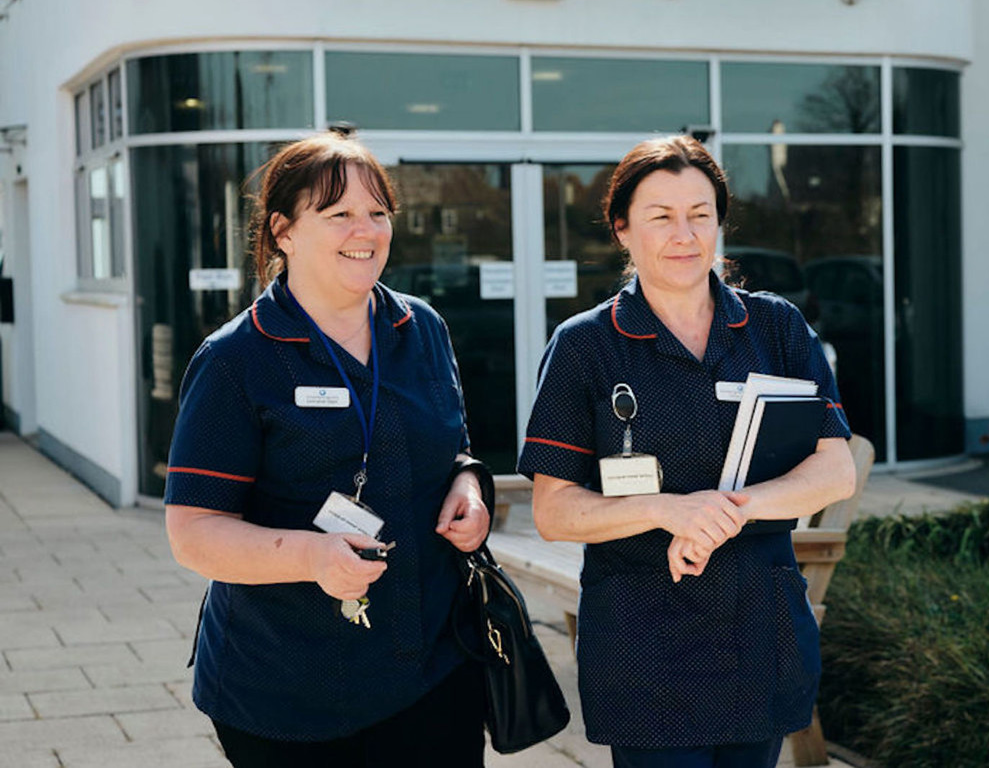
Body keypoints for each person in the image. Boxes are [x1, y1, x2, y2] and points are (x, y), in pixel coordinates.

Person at [519, 135, 857, 768]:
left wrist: (723, 510)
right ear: (622, 229)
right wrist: (670, 510)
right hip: (644, 641)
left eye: (701, 215)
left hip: (759, 626)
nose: (685, 234)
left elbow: (833, 469)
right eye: (661, 216)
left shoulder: (776, 327)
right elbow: (555, 511)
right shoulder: (586, 346)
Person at [164, 131, 493, 767]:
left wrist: (469, 485)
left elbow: (453, 446)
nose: (364, 229)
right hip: (289, 693)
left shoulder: (421, 327)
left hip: (432, 669)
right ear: (284, 231)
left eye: (377, 212)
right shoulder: (236, 360)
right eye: (339, 213)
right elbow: (193, 533)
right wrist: (314, 556)